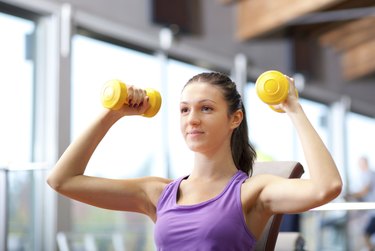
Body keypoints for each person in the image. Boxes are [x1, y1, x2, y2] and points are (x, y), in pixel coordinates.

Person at [47, 72, 342, 250]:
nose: (192, 120)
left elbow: (326, 187)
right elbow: (62, 180)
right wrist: (112, 113)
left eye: (206, 109)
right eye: (185, 110)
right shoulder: (158, 194)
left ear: (234, 119)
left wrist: (292, 107)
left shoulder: (253, 192)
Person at [347, 156, 375, 251]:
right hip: (371, 212)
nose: (359, 166)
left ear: (365, 163)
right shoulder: (366, 175)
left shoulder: (370, 174)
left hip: (373, 211)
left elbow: (365, 190)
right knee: (366, 234)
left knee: (366, 234)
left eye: (360, 164)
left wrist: (351, 195)